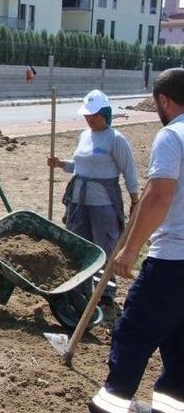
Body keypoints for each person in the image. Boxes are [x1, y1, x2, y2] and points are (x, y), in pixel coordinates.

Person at [87, 68, 184, 413]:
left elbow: (159, 197)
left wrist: (130, 250)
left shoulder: (172, 136)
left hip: (173, 261)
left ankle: (109, 406)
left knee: (132, 335)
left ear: (163, 100)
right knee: (179, 346)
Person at [48, 90, 139, 304]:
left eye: (94, 115)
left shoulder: (116, 139)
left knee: (105, 246)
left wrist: (135, 201)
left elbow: (130, 171)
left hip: (103, 203)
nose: (89, 119)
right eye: (87, 115)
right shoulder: (84, 135)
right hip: (79, 200)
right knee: (78, 244)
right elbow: (80, 166)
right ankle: (79, 286)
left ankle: (105, 292)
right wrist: (60, 164)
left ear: (105, 114)